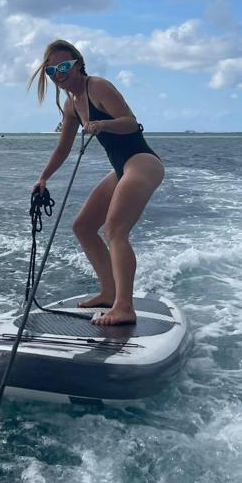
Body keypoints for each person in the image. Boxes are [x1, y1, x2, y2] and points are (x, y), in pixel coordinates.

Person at [28, 39, 164, 326]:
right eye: (52, 70)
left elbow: (130, 122)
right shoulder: (71, 105)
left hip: (141, 161)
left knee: (115, 230)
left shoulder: (98, 87)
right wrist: (43, 178)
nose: (59, 73)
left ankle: (124, 307)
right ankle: (109, 292)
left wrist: (103, 124)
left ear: (78, 64)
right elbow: (63, 149)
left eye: (64, 66)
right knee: (83, 226)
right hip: (121, 169)